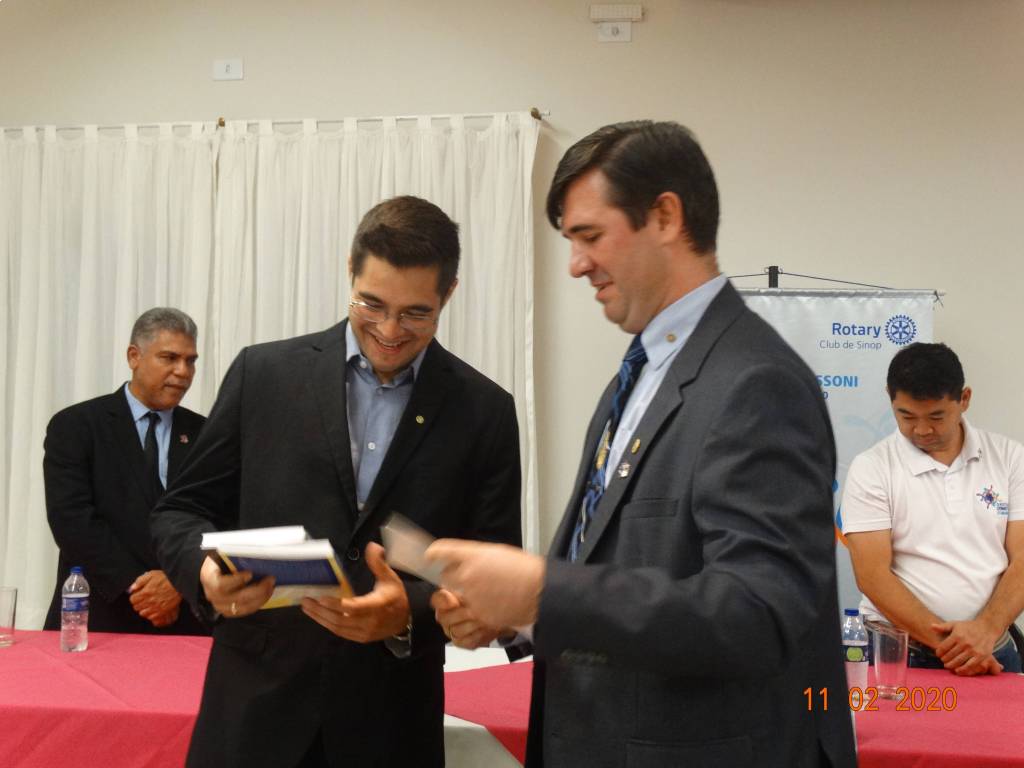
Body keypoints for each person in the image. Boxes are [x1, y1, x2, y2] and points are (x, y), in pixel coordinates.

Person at [428, 121, 856, 767]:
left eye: (590, 236)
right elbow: (626, 571)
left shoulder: (755, 382)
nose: (576, 264)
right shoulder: (637, 377)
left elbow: (757, 612)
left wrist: (545, 591)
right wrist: (519, 615)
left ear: (664, 217)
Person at [150, 195, 522, 768]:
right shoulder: (263, 374)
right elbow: (178, 510)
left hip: (391, 723)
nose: (389, 331)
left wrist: (409, 613)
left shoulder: (485, 411)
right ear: (350, 270)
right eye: (372, 304)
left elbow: (495, 567)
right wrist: (204, 575)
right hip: (254, 715)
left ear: (448, 293)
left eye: (415, 313)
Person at [842, 342, 1024, 674]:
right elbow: (872, 575)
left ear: (964, 399)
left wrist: (985, 630)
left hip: (992, 647)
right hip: (898, 651)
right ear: (890, 398)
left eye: (937, 416)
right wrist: (957, 648)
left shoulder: (1011, 458)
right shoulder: (872, 468)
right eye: (907, 416)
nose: (922, 430)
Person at [43, 307, 207, 635]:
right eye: (170, 358)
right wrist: (142, 589)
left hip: (186, 618)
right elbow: (72, 520)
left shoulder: (207, 434)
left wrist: (178, 582)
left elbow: (222, 519)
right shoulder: (77, 426)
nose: (183, 371)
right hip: (100, 616)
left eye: (190, 361)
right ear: (134, 356)